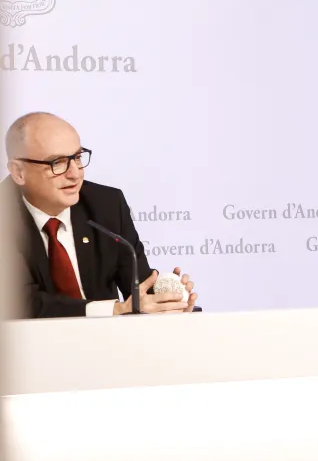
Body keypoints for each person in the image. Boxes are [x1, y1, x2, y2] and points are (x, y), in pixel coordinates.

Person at [4, 112, 198, 318]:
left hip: (107, 343)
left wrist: (166, 301)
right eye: (58, 163)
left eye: (77, 157)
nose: (75, 173)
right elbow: (20, 303)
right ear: (18, 172)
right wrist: (114, 309)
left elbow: (138, 288)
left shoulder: (106, 204)